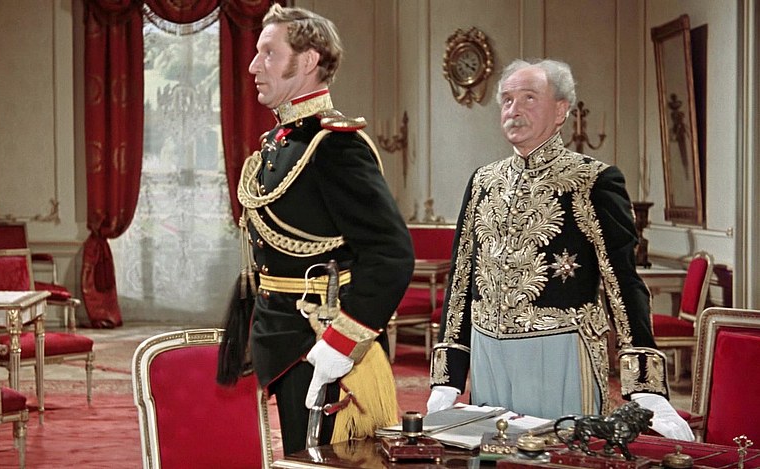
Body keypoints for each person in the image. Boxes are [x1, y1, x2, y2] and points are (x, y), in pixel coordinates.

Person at [426, 58, 694, 441]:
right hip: (488, 353)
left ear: (560, 111)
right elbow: (461, 280)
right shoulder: (483, 181)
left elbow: (622, 282)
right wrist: (448, 377)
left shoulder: (593, 180)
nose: (514, 110)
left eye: (529, 98)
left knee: (560, 454)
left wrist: (645, 387)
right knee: (494, 456)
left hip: (559, 349)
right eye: (507, 100)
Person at [235, 4, 414, 455]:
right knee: (298, 454)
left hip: (324, 339)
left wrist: (340, 343)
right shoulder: (280, 143)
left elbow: (391, 254)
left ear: (308, 61)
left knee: (327, 459)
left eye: (269, 53)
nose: (254, 66)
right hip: (283, 334)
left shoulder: (334, 146)